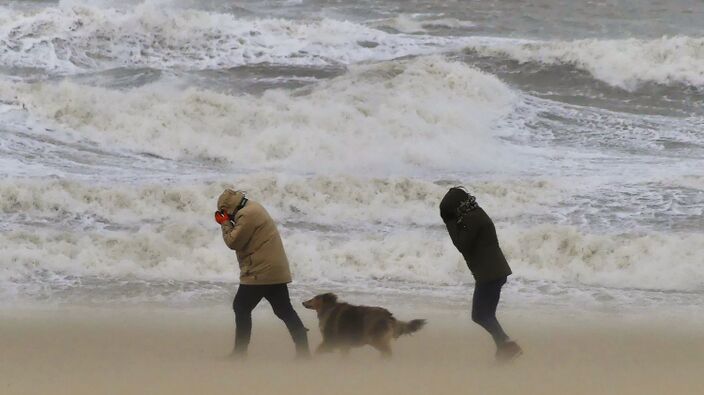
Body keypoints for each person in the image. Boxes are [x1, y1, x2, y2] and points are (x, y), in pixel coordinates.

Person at [215, 189, 310, 359]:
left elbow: (233, 242)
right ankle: (303, 351)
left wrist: (224, 223)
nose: (224, 215)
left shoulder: (246, 215)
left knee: (241, 307)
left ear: (228, 207)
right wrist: (229, 220)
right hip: (274, 269)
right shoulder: (253, 207)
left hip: (260, 271)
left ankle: (240, 353)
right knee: (284, 310)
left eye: (224, 211)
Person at [439, 186, 522, 362]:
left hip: (489, 274)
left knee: (479, 315)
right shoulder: (474, 214)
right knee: (487, 315)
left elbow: (462, 245)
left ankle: (507, 344)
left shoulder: (472, 218)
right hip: (493, 272)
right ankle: (504, 349)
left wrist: (449, 223)